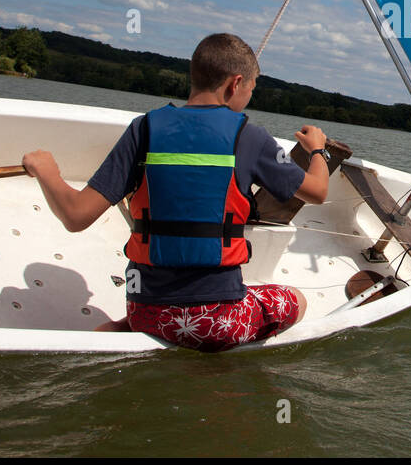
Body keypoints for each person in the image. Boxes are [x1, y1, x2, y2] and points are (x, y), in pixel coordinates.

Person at [21, 33, 329, 350]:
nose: (249, 96)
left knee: (162, 314)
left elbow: (75, 215)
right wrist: (317, 150)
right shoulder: (250, 137)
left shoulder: (144, 129)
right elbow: (317, 191)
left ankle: (123, 329)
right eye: (251, 89)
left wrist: (48, 173)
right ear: (235, 84)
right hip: (215, 321)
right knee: (296, 300)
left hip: (146, 311)